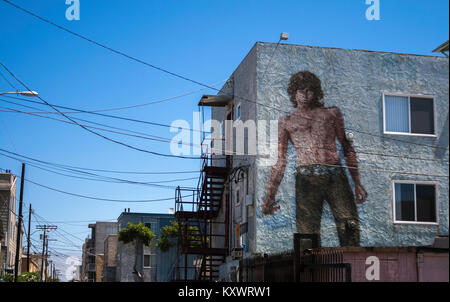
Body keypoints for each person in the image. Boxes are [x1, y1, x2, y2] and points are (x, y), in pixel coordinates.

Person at [261, 71, 368, 247]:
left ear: (316, 92)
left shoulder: (331, 114)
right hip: (306, 179)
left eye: (308, 90)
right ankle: (309, 273)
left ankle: (353, 271)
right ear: (293, 93)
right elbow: (280, 160)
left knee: (349, 227)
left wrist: (357, 183)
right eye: (300, 91)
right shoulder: (286, 121)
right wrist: (269, 196)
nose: (304, 95)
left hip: (335, 176)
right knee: (306, 237)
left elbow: (347, 147)